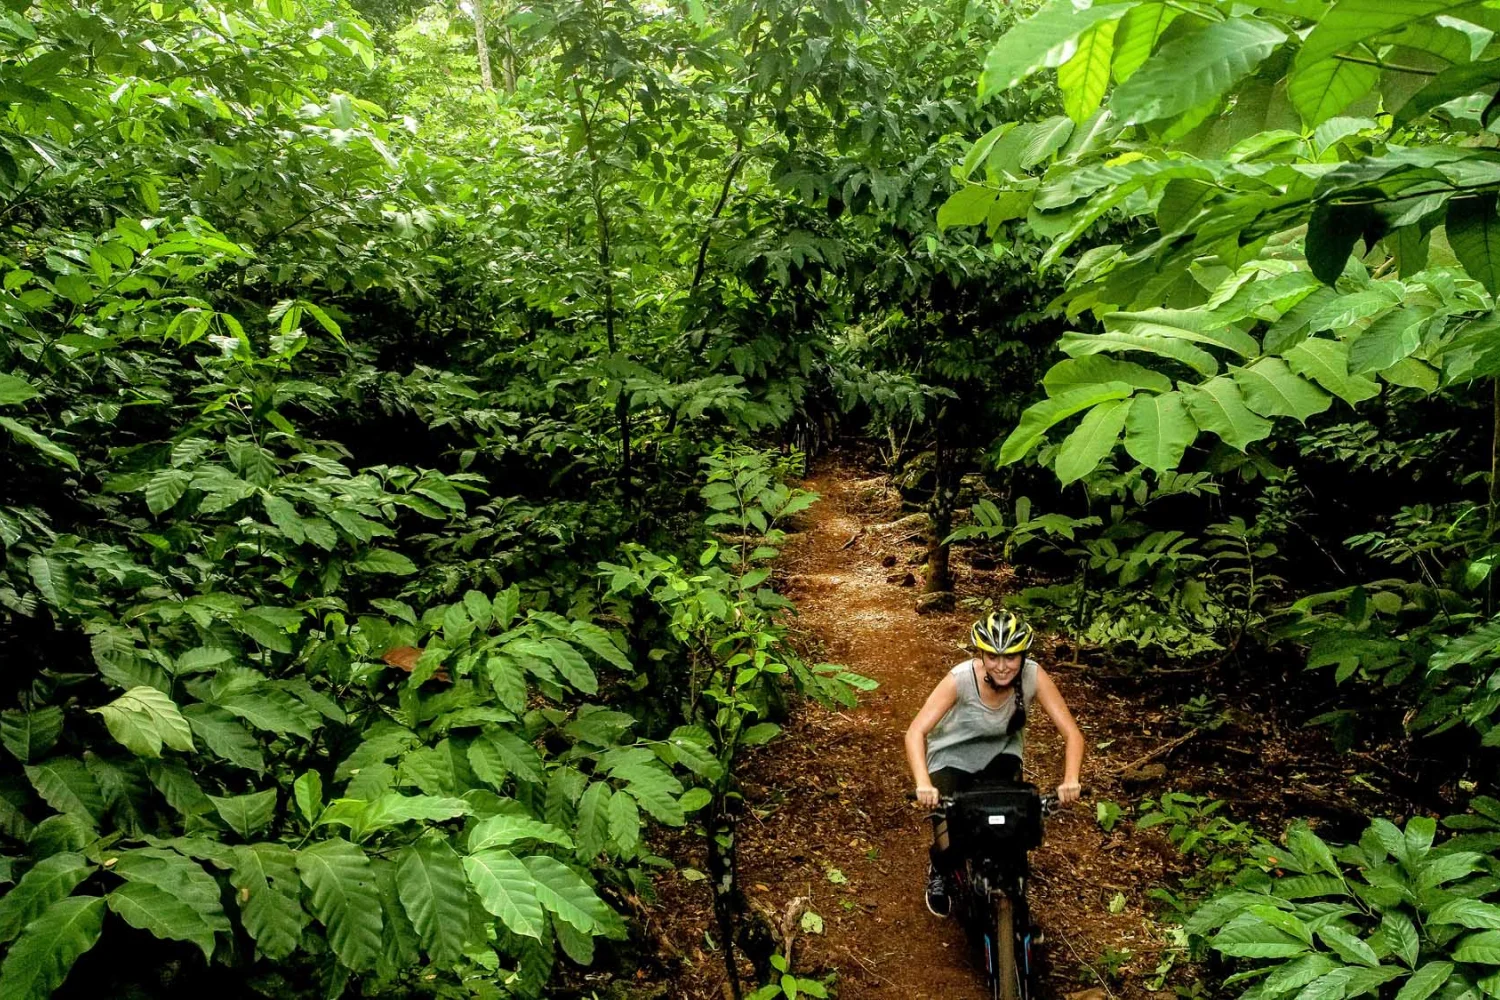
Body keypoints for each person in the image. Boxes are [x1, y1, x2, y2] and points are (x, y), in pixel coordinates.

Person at [903, 611, 1083, 917]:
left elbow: (1072, 734)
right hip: (952, 757)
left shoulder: (1033, 676)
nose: (1002, 666)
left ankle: (1015, 904)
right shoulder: (960, 679)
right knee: (952, 836)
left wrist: (1070, 779)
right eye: (993, 656)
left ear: (1022, 656)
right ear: (982, 655)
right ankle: (941, 869)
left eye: (1010, 657)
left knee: (1012, 827)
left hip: (1001, 756)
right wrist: (923, 783)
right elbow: (915, 732)